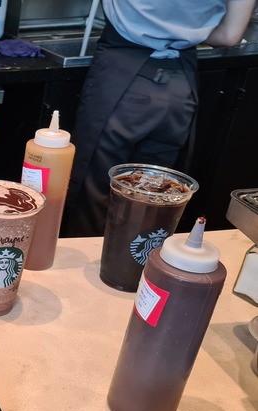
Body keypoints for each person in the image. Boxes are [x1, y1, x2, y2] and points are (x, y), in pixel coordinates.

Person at [63, 0, 255, 237]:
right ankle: (138, 271)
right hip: (180, 87)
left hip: (122, 75)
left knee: (97, 193)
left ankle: (90, 271)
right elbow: (228, 35)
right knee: (154, 198)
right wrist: (184, 32)